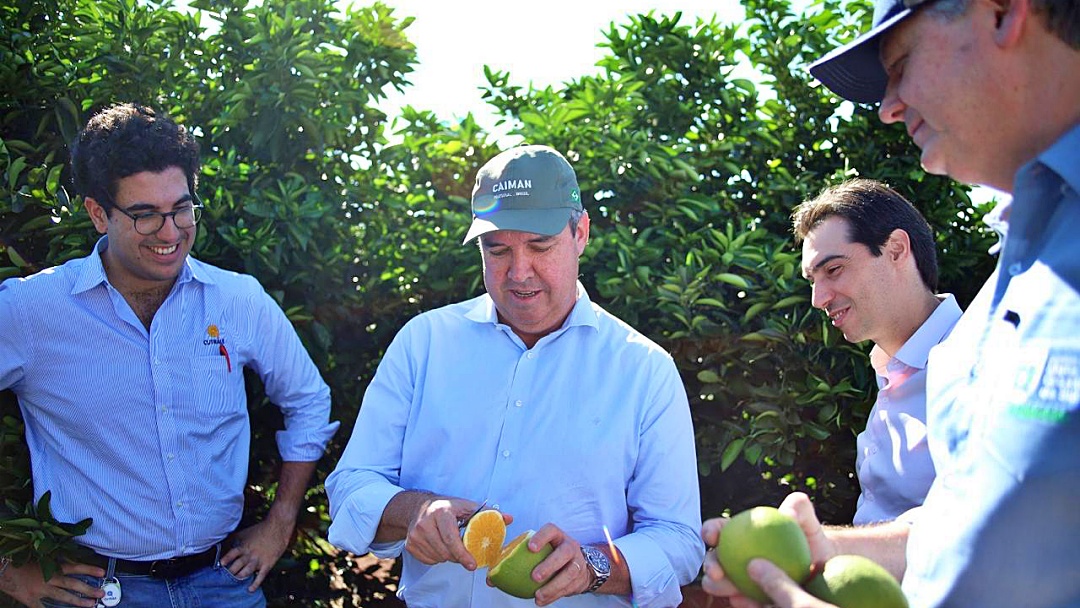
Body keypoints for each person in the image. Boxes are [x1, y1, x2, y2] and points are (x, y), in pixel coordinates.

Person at [702, 0, 1080, 605]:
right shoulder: (1017, 275)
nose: (887, 108)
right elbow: (969, 528)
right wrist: (823, 547)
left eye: (901, 63)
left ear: (1003, 13)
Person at [326, 145, 703, 607]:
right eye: (497, 249)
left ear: (580, 233)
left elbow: (680, 540)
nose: (518, 272)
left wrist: (594, 565)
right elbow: (351, 485)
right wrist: (414, 511)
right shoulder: (423, 343)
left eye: (540, 246)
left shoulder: (644, 369)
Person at [0, 103, 339, 607]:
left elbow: (309, 401)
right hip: (98, 592)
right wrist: (7, 571)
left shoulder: (238, 300)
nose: (170, 232)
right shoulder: (31, 311)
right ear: (98, 213)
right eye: (144, 214)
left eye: (182, 208)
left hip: (227, 583)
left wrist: (281, 521)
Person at [793, 178, 961, 526]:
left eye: (834, 270)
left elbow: (972, 530)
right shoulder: (890, 370)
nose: (818, 298)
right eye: (813, 280)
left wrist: (825, 546)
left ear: (897, 249)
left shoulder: (980, 362)